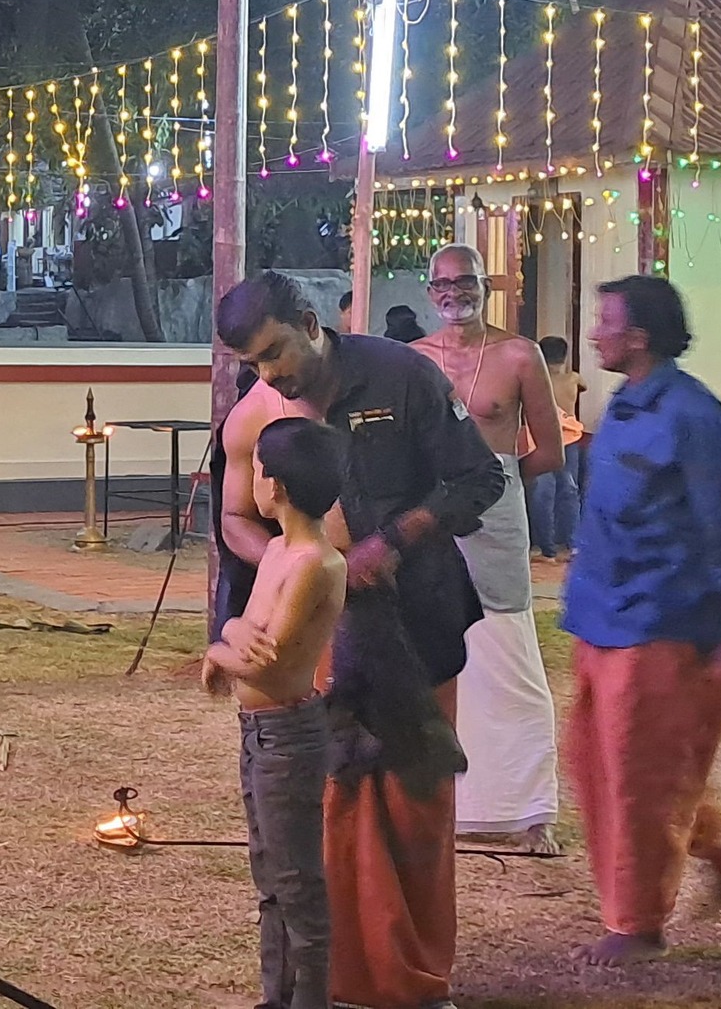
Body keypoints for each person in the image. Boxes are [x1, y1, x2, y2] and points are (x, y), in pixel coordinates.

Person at [215, 270, 505, 1009]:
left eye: (274, 352)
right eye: (252, 363)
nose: (268, 372)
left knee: (412, 802)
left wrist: (389, 543)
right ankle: (338, 982)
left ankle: (413, 982)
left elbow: (476, 479)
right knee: (327, 806)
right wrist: (293, 564)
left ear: (310, 323)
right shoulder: (255, 415)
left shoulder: (400, 375)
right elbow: (236, 520)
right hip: (318, 639)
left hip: (416, 623)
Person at [564, 274, 721, 967]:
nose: (595, 333)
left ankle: (637, 924)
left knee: (640, 779)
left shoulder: (690, 413)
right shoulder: (625, 403)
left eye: (605, 322)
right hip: (599, 613)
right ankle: (716, 854)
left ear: (638, 337)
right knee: (602, 765)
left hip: (660, 622)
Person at [411, 245, 564, 855]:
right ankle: (447, 801)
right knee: (435, 649)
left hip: (496, 513)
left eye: (466, 281)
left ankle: (529, 811)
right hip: (427, 515)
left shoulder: (519, 355)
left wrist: (493, 487)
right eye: (443, 284)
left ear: (486, 286)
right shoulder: (414, 360)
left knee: (508, 652)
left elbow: (549, 452)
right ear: (431, 291)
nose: (455, 293)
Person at [208, 417, 350, 1009]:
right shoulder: (274, 550)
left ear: (279, 486)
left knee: (297, 884)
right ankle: (277, 996)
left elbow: (266, 661)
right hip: (256, 732)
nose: (253, 481)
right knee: (269, 875)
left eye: (258, 470)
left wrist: (221, 649)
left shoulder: (317, 563)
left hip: (289, 733)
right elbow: (249, 626)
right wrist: (234, 632)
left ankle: (309, 999)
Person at [529, 336, 584, 562]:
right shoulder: (573, 378)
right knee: (570, 492)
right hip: (571, 440)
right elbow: (584, 386)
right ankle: (573, 545)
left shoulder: (535, 380)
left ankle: (548, 550)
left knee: (543, 494)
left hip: (540, 439)